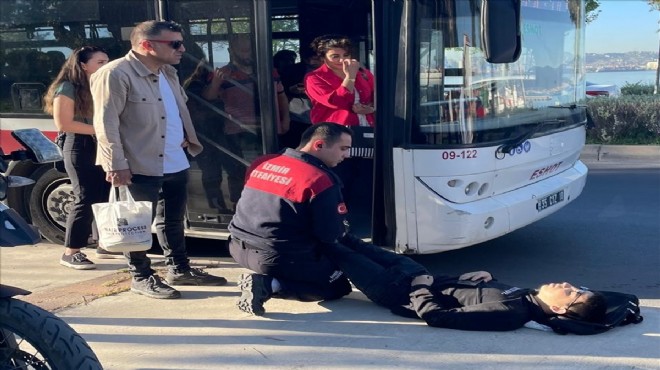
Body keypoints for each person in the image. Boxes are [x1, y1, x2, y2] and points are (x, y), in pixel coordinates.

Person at [91, 20, 227, 299]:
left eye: (181, 42)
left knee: (173, 220)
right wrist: (115, 164)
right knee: (136, 223)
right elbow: (105, 123)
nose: (182, 49)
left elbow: (176, 112)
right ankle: (141, 276)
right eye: (174, 43)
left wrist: (188, 142)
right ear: (146, 45)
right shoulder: (115, 73)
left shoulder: (168, 72)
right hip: (138, 162)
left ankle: (179, 268)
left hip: (176, 158)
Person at [323, 236, 608, 332]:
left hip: (395, 288)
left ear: (559, 309)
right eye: (577, 285)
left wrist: (419, 288)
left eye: (573, 292)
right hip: (415, 271)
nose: (569, 284)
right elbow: (474, 295)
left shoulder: (511, 314)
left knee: (337, 251)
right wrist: (488, 276)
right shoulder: (526, 298)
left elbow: (438, 317)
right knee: (349, 240)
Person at [228, 122, 355, 316]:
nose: (346, 156)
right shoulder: (319, 179)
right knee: (337, 286)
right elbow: (329, 234)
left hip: (236, 247)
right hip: (275, 257)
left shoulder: (263, 162)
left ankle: (271, 278)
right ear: (319, 145)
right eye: (343, 149)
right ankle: (269, 285)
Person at [43, 45, 123, 270]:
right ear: (83, 65)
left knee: (103, 195)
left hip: (100, 144)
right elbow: (64, 123)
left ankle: (104, 243)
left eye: (107, 60)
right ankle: (71, 251)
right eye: (100, 62)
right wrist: (101, 129)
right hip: (79, 145)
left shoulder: (102, 85)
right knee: (84, 197)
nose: (106, 66)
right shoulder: (67, 87)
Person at [201, 33, 290, 210]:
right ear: (231, 50)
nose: (246, 52)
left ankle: (269, 206)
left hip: (268, 128)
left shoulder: (268, 71)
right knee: (239, 171)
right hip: (237, 130)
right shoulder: (223, 73)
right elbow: (208, 97)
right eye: (241, 49)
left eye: (248, 48)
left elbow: (281, 97)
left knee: (271, 169)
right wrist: (216, 82)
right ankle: (241, 206)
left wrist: (285, 120)